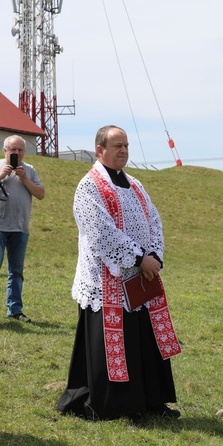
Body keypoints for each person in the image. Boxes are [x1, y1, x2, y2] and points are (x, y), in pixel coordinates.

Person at [57, 125, 181, 420]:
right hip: (106, 280)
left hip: (140, 279)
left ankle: (151, 401)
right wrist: (139, 258)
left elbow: (154, 220)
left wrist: (154, 256)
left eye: (126, 145)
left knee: (143, 342)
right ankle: (118, 405)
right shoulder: (89, 187)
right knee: (117, 346)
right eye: (117, 146)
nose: (123, 150)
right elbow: (100, 232)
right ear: (100, 150)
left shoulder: (135, 184)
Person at [0, 135, 45, 322]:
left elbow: (41, 194)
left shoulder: (29, 170)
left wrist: (25, 178)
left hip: (20, 229)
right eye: (13, 149)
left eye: (20, 150)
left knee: (16, 272)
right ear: (5, 151)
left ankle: (15, 310)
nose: (16, 153)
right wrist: (2, 175)